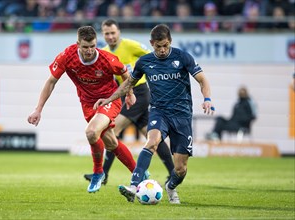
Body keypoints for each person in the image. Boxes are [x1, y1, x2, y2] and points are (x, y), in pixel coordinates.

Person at [93, 24, 215, 204]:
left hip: (182, 115)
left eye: (165, 45)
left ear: (170, 42)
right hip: (159, 111)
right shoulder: (144, 62)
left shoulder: (182, 57)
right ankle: (134, 187)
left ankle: (171, 187)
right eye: (158, 46)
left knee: (180, 168)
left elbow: (202, 79)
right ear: (152, 44)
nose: (163, 50)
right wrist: (109, 99)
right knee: (152, 142)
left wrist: (207, 99)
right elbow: (128, 85)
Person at [28, 26, 141, 193]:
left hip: (109, 99)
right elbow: (51, 81)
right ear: (77, 44)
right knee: (110, 142)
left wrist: (130, 93)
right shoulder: (67, 56)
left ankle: (98, 172)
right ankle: (140, 174)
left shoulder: (107, 59)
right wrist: (38, 109)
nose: (89, 51)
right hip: (87, 104)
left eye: (93, 46)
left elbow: (126, 74)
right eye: (85, 47)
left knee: (91, 132)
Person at [83, 19, 174, 185]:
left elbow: (152, 55)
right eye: (107, 33)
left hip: (138, 92)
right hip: (124, 94)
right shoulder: (102, 52)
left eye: (113, 33)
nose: (110, 36)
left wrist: (157, 75)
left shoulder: (130, 45)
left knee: (112, 130)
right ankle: (173, 172)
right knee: (153, 136)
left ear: (119, 32)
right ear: (103, 35)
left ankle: (104, 175)